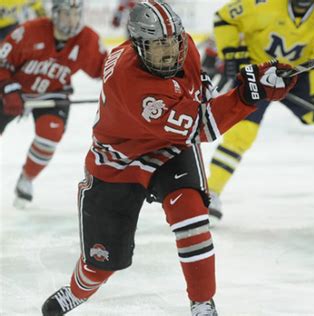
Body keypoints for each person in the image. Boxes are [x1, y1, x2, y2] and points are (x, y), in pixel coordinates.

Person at [41, 1, 296, 315]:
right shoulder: (130, 80)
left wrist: (258, 79)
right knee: (103, 262)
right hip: (120, 158)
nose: (169, 51)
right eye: (158, 45)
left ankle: (202, 302)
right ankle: (77, 290)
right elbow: (200, 126)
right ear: (139, 46)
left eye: (173, 41)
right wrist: (248, 95)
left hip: (171, 148)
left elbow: (199, 97)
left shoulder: (185, 47)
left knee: (192, 218)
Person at [207, 0, 314, 223]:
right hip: (258, 74)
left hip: (298, 77)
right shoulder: (263, 4)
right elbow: (225, 18)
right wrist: (233, 53)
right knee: (240, 135)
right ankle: (210, 193)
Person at [0, 0, 107, 208]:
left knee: (50, 134)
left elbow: (107, 69)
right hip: (15, 91)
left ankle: (26, 179)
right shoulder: (29, 32)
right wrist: (7, 88)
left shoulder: (88, 39)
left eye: (77, 14)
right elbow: (2, 62)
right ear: (56, 14)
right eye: (67, 14)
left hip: (53, 93)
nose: (73, 20)